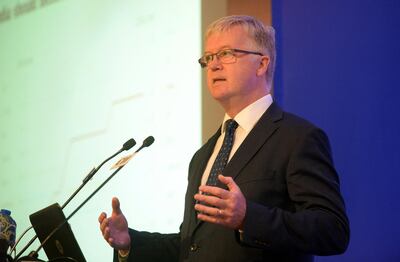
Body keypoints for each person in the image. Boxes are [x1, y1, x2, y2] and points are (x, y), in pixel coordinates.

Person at [98, 15, 350, 262]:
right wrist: (130, 244)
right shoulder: (203, 155)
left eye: (227, 54)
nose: (214, 65)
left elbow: (332, 231)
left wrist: (248, 217)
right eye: (208, 58)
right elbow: (194, 247)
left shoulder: (296, 138)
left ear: (261, 64)